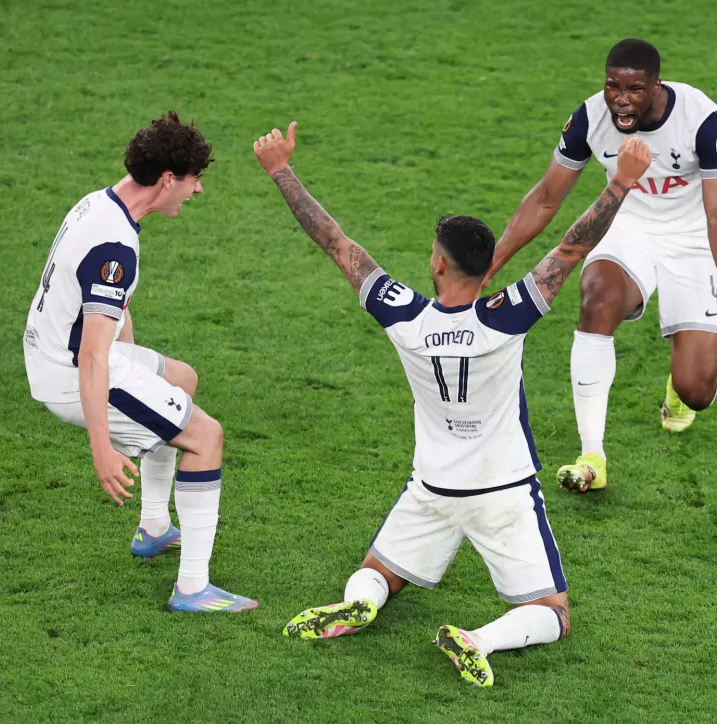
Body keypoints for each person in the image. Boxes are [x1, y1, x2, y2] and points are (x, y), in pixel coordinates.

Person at [253, 121, 651, 686]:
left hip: (432, 488)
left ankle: (360, 604)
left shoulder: (405, 317)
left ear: (439, 265)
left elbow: (335, 241)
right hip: (503, 492)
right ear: (487, 266)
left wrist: (280, 170)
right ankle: (478, 640)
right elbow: (572, 245)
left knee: (379, 572)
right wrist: (620, 184)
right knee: (554, 613)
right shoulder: (508, 315)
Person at [484, 38, 717, 494]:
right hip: (627, 232)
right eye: (612, 86)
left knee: (697, 390)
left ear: (656, 86)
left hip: (691, 242)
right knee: (597, 297)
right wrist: (490, 267)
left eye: (634, 89)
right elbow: (547, 197)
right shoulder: (589, 118)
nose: (621, 99)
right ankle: (592, 456)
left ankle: (678, 390)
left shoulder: (704, 122)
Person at [23, 111, 257, 613]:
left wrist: (145, 372)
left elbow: (111, 312)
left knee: (182, 380)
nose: (197, 192)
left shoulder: (100, 204)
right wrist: (102, 448)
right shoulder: (115, 246)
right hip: (70, 371)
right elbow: (91, 355)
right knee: (206, 437)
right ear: (169, 179)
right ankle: (192, 588)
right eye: (194, 181)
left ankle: (154, 527)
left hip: (57, 352)